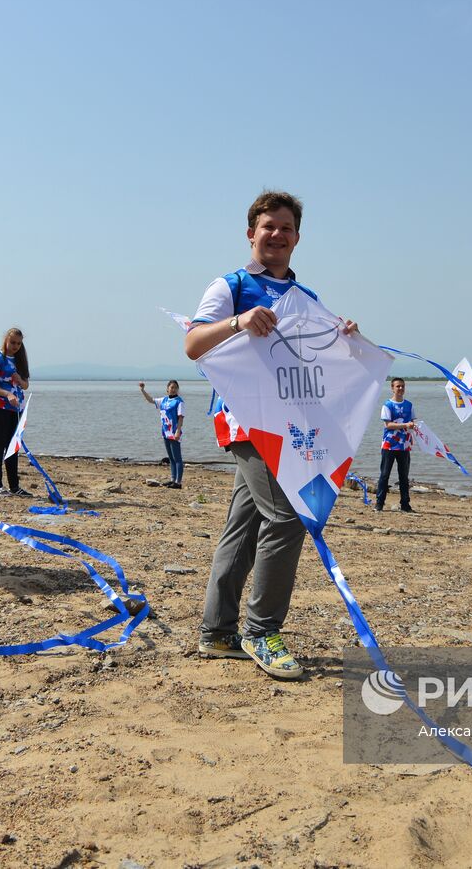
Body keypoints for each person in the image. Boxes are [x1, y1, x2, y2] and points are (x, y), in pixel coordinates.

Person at [184, 190, 358, 680]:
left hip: (289, 424)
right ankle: (262, 631)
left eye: (286, 228)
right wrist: (239, 321)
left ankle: (217, 632)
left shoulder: (308, 300)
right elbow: (193, 344)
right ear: (251, 233)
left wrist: (344, 335)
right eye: (268, 227)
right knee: (287, 515)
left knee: (244, 523)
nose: (277, 235)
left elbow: (318, 361)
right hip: (245, 421)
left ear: (298, 238)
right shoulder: (231, 285)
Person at [0, 328, 31, 496]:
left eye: (18, 343)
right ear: (6, 340)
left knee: (13, 447)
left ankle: (14, 486)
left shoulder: (20, 360)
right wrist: (7, 393)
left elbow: (25, 385)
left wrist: (20, 380)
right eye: (12, 342)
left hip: (15, 408)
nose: (15, 346)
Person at [376, 377, 417, 513]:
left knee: (404, 476)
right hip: (389, 445)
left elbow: (413, 423)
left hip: (404, 446)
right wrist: (405, 424)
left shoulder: (409, 405)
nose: (400, 389)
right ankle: (379, 503)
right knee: (384, 475)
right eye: (398, 386)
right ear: (392, 388)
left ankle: (405, 504)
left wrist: (415, 430)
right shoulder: (387, 405)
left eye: (402, 386)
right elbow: (388, 425)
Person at [139, 380, 185, 488]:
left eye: (175, 387)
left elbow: (181, 418)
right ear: (167, 389)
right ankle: (172, 479)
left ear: (177, 389)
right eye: (171, 387)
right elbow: (151, 400)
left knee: (177, 458)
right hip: (165, 432)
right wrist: (142, 390)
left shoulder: (179, 402)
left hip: (174, 432)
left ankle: (178, 482)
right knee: (171, 458)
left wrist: (178, 431)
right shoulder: (163, 400)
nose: (173, 389)